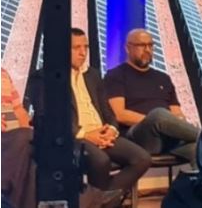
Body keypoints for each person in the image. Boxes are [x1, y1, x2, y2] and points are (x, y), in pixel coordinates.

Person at [30, 28, 151, 199]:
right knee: (101, 161)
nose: (83, 52)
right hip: (73, 137)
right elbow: (46, 118)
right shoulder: (44, 78)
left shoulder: (93, 75)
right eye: (76, 48)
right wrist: (85, 135)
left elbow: (107, 110)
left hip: (102, 133)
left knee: (142, 158)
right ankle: (103, 200)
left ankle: (101, 199)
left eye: (85, 47)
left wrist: (111, 129)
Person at [104, 28, 199, 160]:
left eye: (150, 45)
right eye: (142, 45)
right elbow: (119, 114)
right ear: (128, 48)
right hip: (138, 137)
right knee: (158, 114)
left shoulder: (163, 78)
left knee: (200, 149)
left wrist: (175, 122)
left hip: (167, 138)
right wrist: (155, 122)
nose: (147, 50)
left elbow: (177, 112)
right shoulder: (116, 75)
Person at [2, 68, 36, 208]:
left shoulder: (3, 73)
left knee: (34, 145)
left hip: (16, 137)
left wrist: (33, 133)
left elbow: (18, 110)